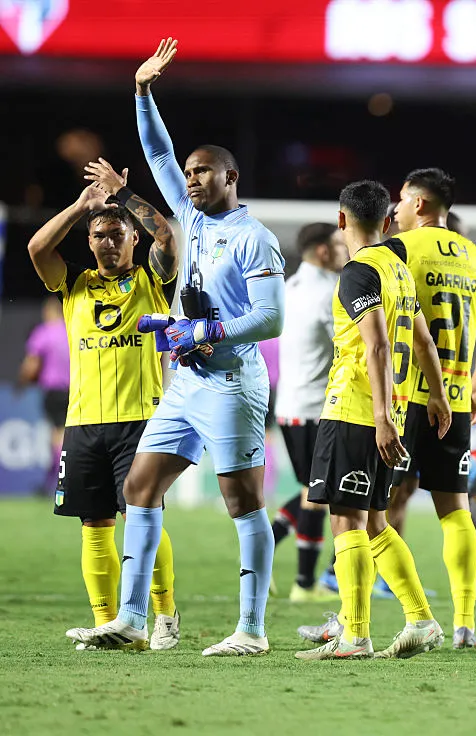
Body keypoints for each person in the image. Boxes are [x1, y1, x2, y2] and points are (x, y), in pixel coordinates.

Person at [67, 38, 287, 656]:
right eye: (187, 173)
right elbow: (156, 150)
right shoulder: (187, 220)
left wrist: (207, 331)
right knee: (139, 489)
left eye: (202, 173)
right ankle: (133, 621)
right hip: (185, 383)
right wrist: (142, 91)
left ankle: (251, 630)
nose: (189, 180)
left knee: (242, 503)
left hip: (231, 383)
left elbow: (269, 320)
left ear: (230, 178)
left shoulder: (254, 239)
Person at [295, 180, 452, 661]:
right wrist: (438, 397)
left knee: (346, 522)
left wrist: (381, 416)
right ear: (386, 222)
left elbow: (378, 345)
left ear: (342, 220)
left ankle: (355, 635)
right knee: (378, 524)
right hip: (395, 409)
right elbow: (423, 342)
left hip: (357, 411)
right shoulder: (398, 270)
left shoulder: (358, 272)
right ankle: (421, 620)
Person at [28, 160, 180, 650]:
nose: (108, 241)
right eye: (99, 235)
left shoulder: (152, 281)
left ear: (132, 239)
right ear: (89, 241)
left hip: (142, 421)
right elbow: (37, 248)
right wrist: (82, 206)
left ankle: (164, 615)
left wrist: (125, 194)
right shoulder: (73, 285)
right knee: (94, 523)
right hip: (83, 423)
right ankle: (108, 622)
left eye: (117, 234)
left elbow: (169, 237)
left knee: (143, 515)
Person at [385, 167, 476, 649]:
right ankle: (465, 624)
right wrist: (475, 387)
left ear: (417, 203)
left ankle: (405, 613)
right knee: (455, 511)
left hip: (404, 395)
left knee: (379, 508)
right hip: (453, 398)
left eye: (401, 201)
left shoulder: (398, 251)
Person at [270, 223, 347, 602]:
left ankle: (264, 548)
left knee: (312, 490)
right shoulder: (329, 293)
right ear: (321, 251)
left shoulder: (289, 288)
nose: (345, 249)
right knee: (322, 494)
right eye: (337, 244)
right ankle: (304, 583)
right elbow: (350, 346)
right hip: (318, 409)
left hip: (288, 406)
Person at [21, 297, 70, 487]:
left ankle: (62, 480)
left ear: (49, 312)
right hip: (75, 389)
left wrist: (22, 383)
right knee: (65, 434)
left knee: (57, 435)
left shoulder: (44, 331)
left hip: (54, 390)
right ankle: (53, 479)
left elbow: (31, 363)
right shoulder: (70, 329)